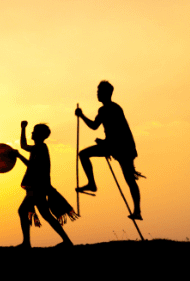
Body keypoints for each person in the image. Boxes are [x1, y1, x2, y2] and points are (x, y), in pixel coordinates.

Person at [75, 80, 144, 220]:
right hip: (114, 146)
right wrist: (105, 142)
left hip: (123, 148)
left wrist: (81, 116)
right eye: (97, 91)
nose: (97, 94)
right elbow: (97, 126)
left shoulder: (112, 108)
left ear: (107, 93)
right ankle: (92, 183)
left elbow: (119, 131)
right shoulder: (105, 109)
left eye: (99, 92)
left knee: (130, 180)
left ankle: (137, 211)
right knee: (83, 154)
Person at [13, 122, 76, 248]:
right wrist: (23, 129)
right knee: (45, 214)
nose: (32, 132)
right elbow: (23, 145)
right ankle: (66, 241)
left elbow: (33, 166)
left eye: (34, 131)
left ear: (39, 135)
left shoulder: (41, 148)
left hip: (38, 187)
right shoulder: (38, 147)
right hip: (39, 187)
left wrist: (19, 156)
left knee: (24, 210)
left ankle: (27, 243)